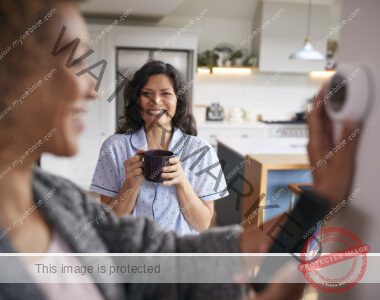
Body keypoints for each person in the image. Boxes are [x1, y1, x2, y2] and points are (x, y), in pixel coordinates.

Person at [0, 0, 361, 299]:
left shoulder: (60, 198)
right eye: (76, 63)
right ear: (14, 70)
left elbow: (169, 255)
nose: (92, 89)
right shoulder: (115, 149)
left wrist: (319, 202)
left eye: (166, 94)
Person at [89, 61, 228, 235]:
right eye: (147, 93)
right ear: (137, 100)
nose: (155, 101)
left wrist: (182, 182)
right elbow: (109, 221)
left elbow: (202, 224)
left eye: (165, 94)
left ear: (178, 100)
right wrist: (130, 184)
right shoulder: (114, 147)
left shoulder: (201, 151)